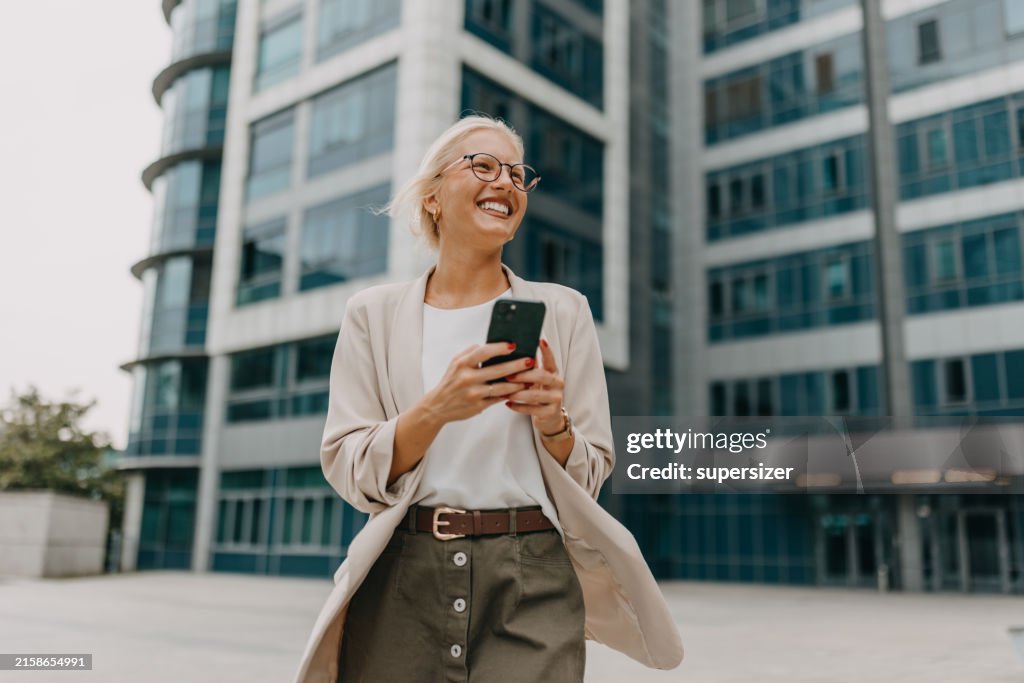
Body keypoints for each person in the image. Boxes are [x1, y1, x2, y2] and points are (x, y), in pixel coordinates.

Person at [291, 115, 682, 683]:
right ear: (431, 198)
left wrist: (553, 423)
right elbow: (350, 469)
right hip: (404, 574)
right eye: (483, 166)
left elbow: (592, 470)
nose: (505, 183)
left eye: (518, 175)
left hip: (534, 576)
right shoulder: (372, 316)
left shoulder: (564, 311)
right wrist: (436, 409)